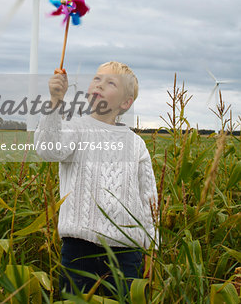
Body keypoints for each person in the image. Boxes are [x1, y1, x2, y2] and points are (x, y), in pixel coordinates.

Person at [34, 61, 159, 300]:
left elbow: (148, 198)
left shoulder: (136, 144)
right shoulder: (74, 128)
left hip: (126, 250)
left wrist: (151, 246)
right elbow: (48, 150)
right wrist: (55, 101)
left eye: (110, 82)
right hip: (79, 245)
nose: (99, 85)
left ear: (125, 103)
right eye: (97, 79)